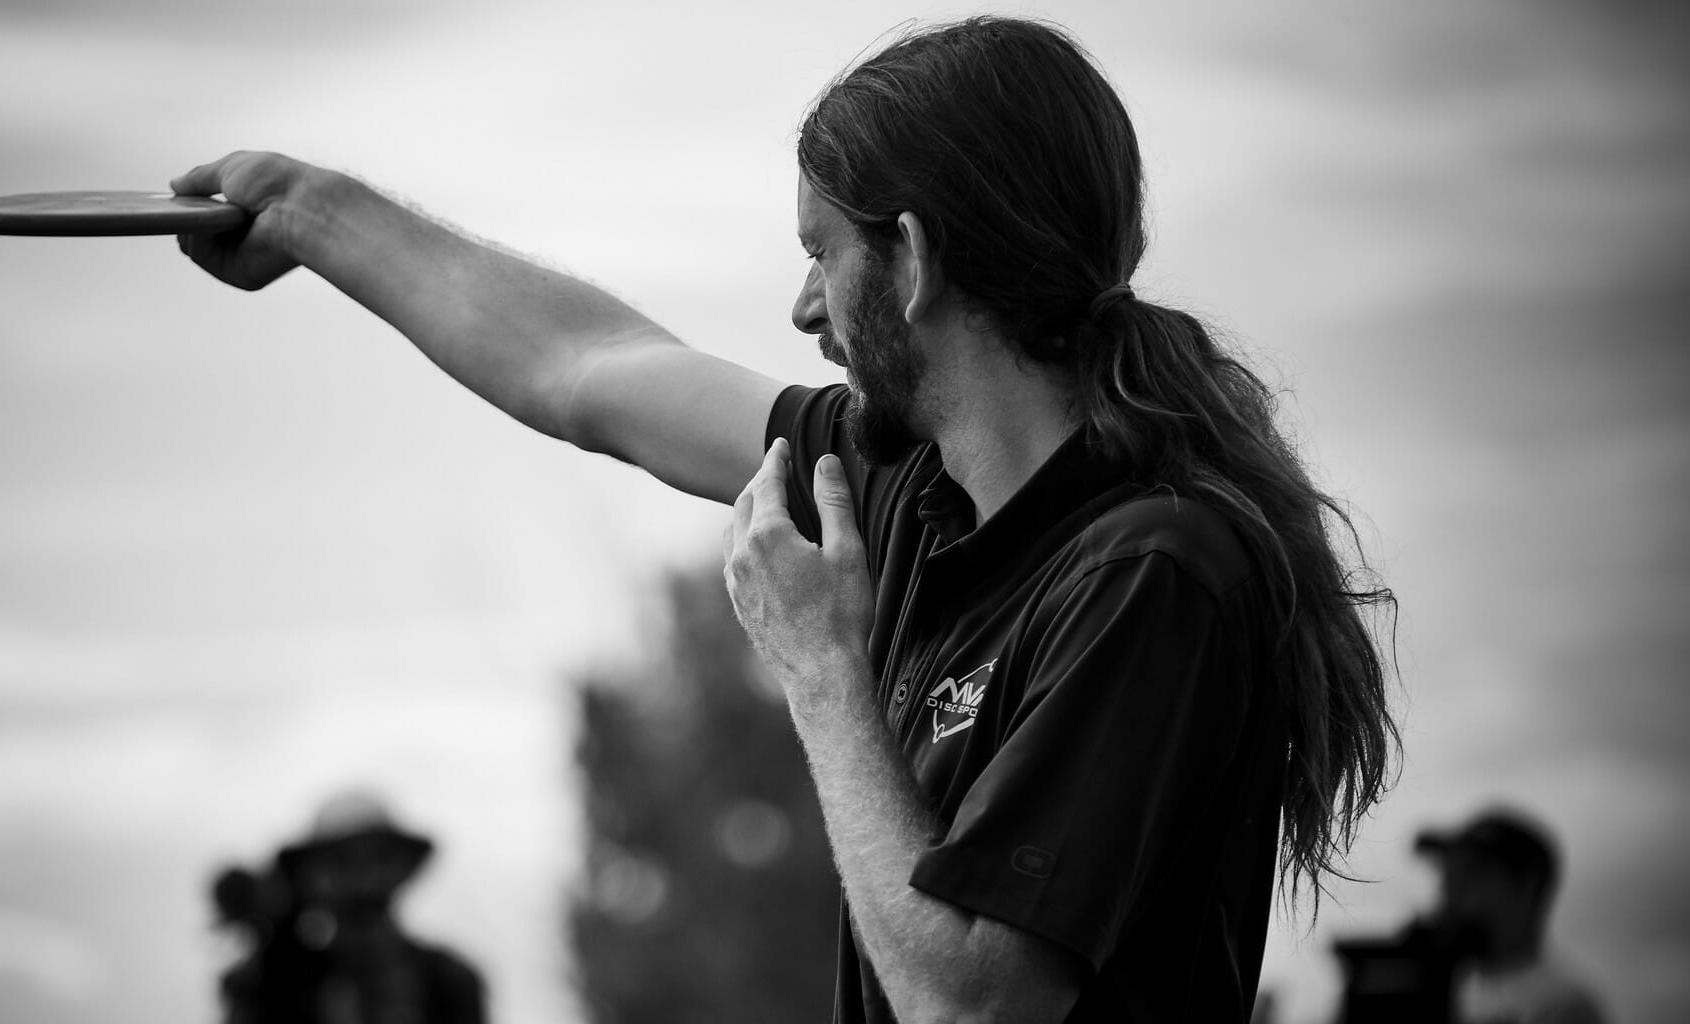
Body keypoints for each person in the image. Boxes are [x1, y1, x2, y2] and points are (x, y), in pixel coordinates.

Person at [171, 16, 1396, 1022]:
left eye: (822, 251)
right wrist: (313, 212)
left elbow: (967, 1009)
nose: (804, 305)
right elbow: (589, 371)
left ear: (908, 259)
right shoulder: (907, 492)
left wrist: (818, 668)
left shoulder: (1151, 569)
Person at [216, 792, 486, 1024]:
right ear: (309, 877)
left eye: (381, 858)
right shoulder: (273, 983)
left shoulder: (449, 980)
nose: (364, 878)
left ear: (402, 868)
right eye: (340, 862)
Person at [1415, 808, 1607, 1024]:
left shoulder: (1564, 1003)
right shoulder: (1459, 984)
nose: (1448, 899)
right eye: (1447, 881)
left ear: (1524, 884)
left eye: (1468, 878)